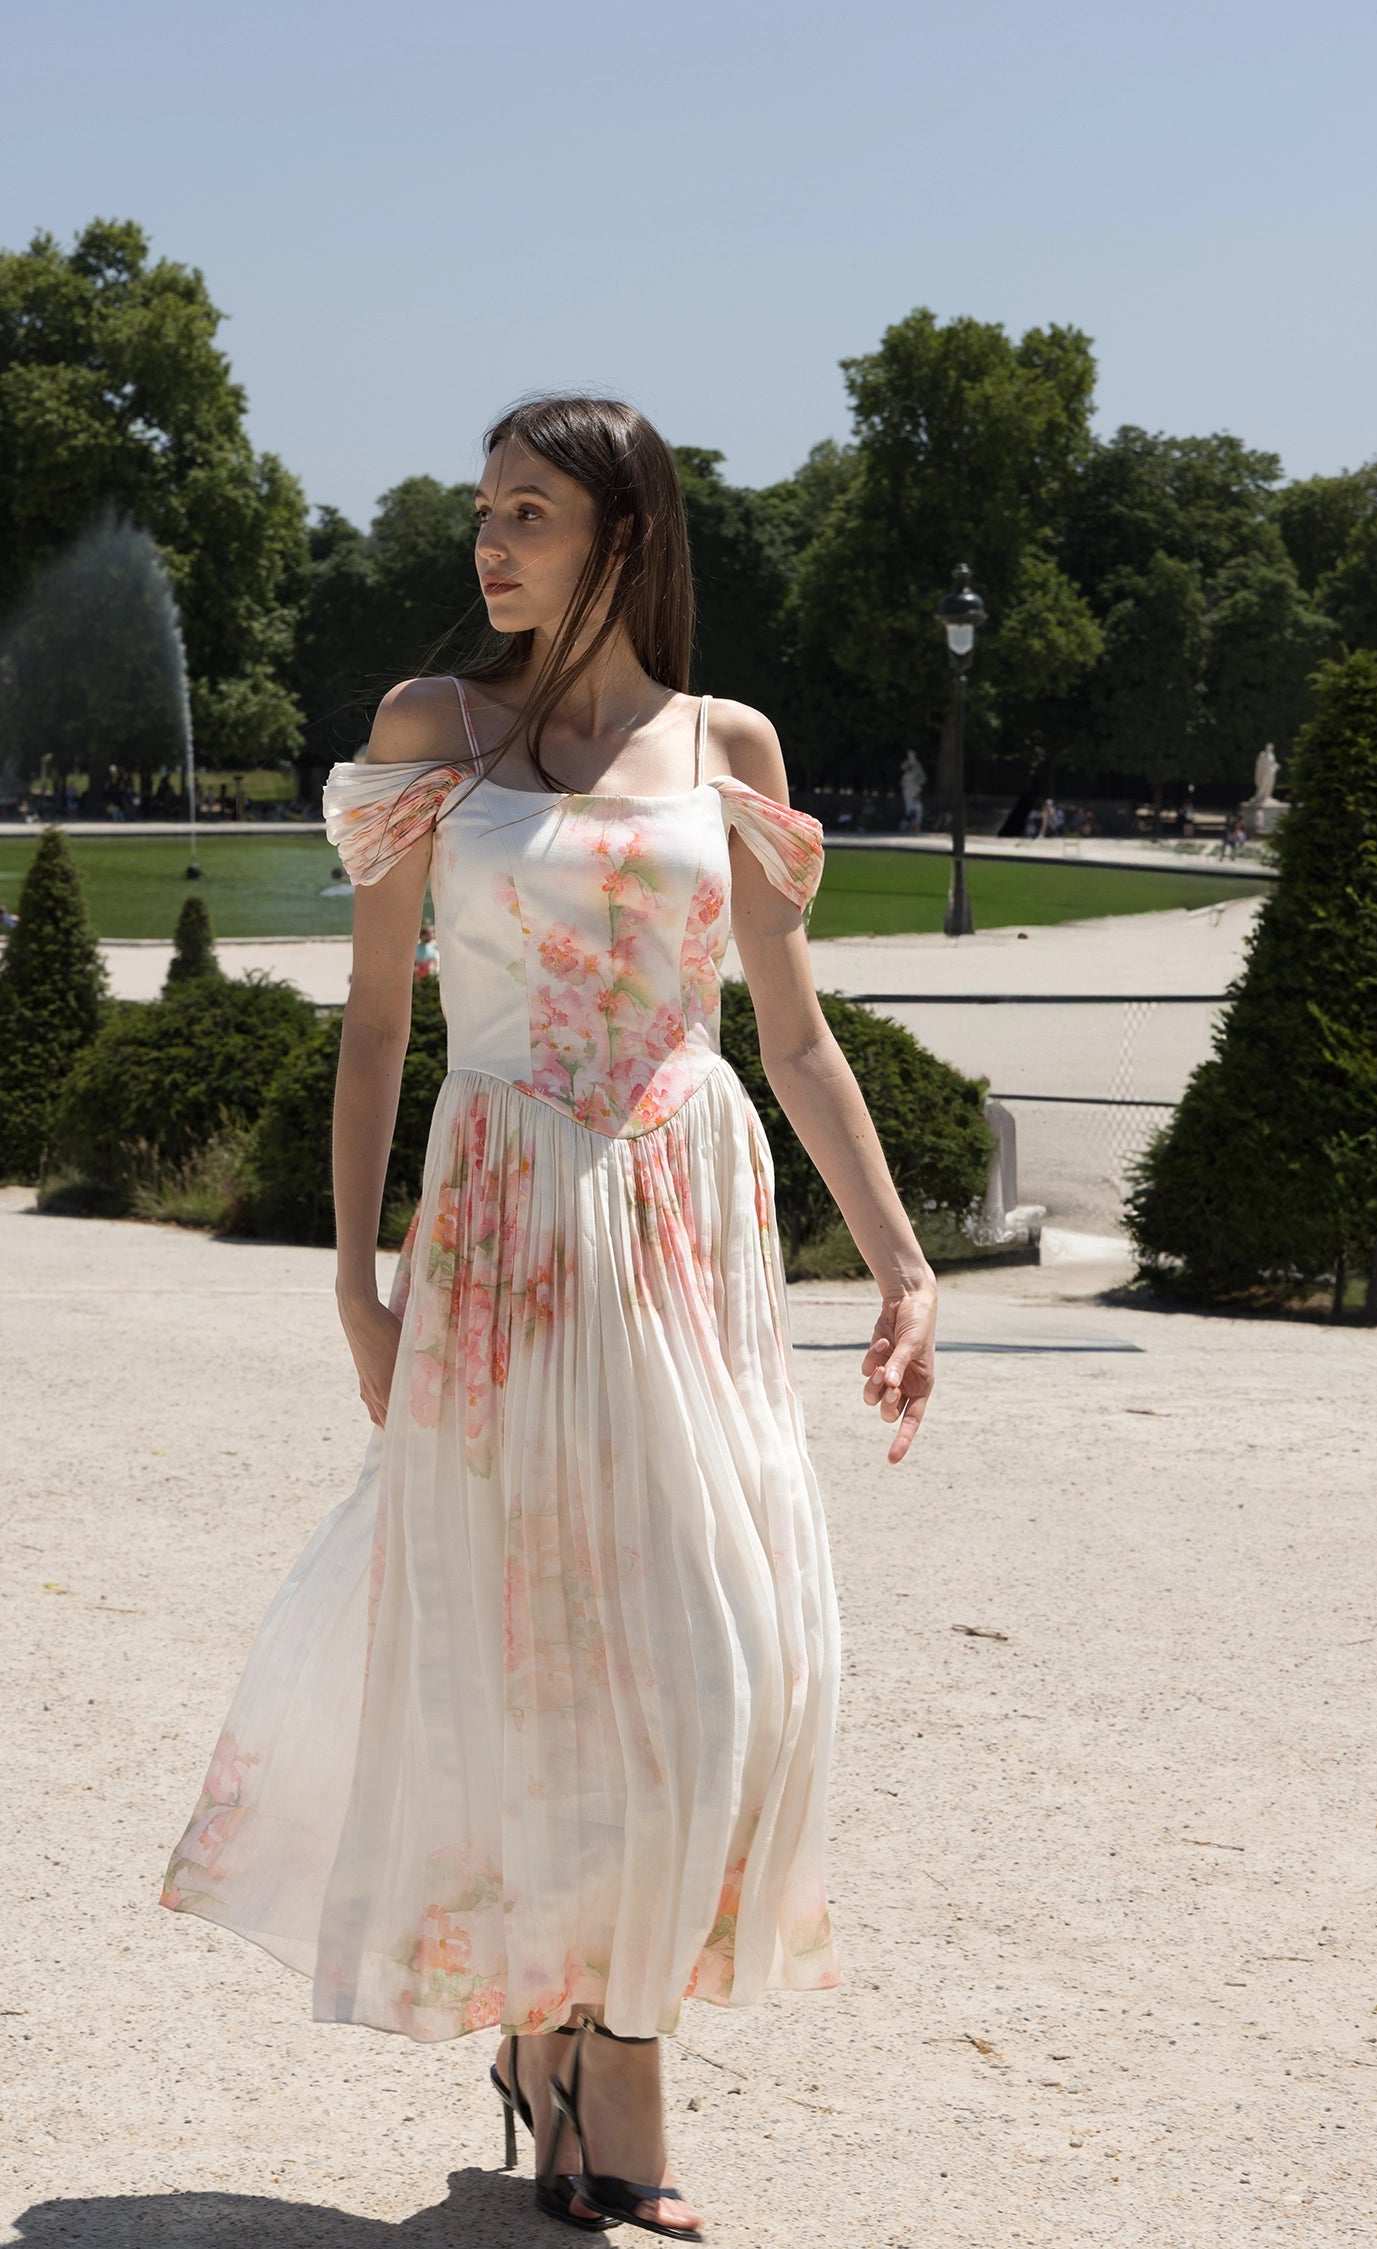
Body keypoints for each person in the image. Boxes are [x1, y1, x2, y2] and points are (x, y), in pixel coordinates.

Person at [160, 395, 938, 2240]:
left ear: (622, 535)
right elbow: (376, 1022)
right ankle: (574, 2040)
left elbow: (794, 1035)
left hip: (686, 1224)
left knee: (731, 1656)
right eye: (484, 511)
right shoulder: (430, 734)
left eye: (529, 512)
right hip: (506, 1228)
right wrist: (355, 1280)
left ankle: (609, 2026)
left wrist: (905, 1264)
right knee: (537, 1650)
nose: (490, 544)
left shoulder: (728, 746)